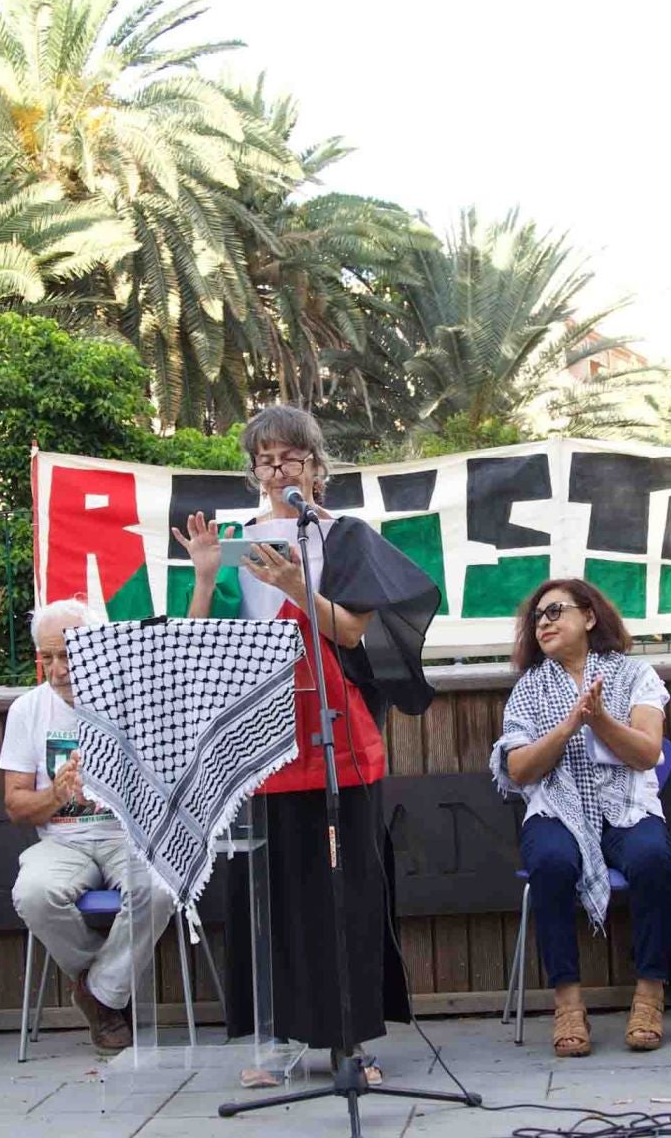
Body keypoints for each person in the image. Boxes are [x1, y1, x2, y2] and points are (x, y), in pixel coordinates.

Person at [176, 404, 439, 1073]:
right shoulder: (236, 542)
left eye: (290, 455)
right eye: (265, 458)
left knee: (340, 892)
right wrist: (206, 575)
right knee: (266, 892)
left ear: (317, 467)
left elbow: (351, 632)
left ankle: (348, 1040)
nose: (277, 468)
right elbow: (201, 645)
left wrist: (297, 582)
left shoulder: (343, 536)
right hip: (258, 736)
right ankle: (277, 1037)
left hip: (334, 733)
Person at [491, 578, 671, 1057]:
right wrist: (571, 723)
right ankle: (568, 1002)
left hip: (626, 803)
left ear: (589, 617)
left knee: (652, 857)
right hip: (557, 807)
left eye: (555, 612)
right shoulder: (529, 689)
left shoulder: (635, 675)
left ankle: (650, 994)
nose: (544, 624)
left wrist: (600, 720)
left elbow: (647, 752)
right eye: (538, 618)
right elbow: (517, 768)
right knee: (550, 863)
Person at [1, 597, 174, 1052]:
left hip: (128, 836)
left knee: (160, 887)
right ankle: (102, 988)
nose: (58, 670)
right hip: (61, 842)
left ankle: (98, 992)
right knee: (34, 895)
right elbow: (16, 806)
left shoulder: (135, 701)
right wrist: (57, 793)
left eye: (68, 654)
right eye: (48, 658)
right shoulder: (27, 710)